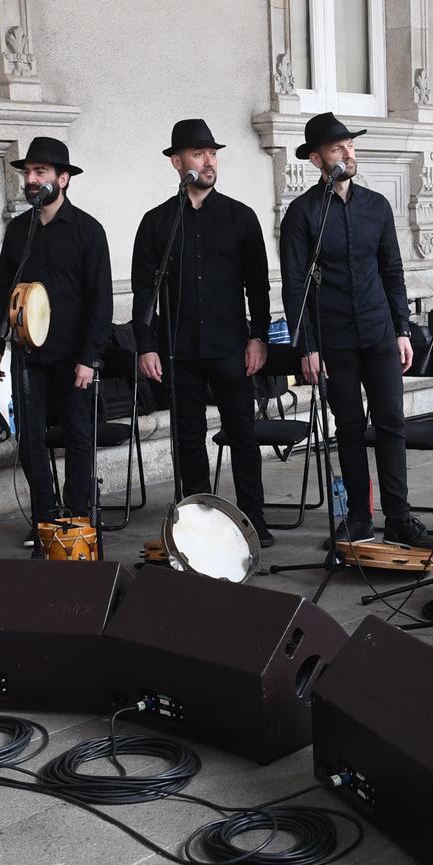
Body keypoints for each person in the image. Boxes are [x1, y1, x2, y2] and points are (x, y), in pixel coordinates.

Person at [278, 112, 433, 550]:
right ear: (316, 159)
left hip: (380, 332)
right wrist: (307, 347)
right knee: (348, 428)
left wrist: (403, 329)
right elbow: (294, 286)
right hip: (333, 339)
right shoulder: (302, 214)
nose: (348, 153)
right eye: (337, 148)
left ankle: (400, 518)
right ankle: (359, 518)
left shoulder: (377, 206)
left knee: (391, 425)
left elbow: (392, 270)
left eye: (350, 145)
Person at [131, 119, 274, 545]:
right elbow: (144, 291)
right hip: (180, 349)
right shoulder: (158, 222)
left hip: (232, 346)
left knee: (243, 435)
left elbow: (258, 285)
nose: (209, 161)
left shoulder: (240, 217)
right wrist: (146, 345)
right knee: (188, 439)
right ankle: (194, 519)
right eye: (199, 154)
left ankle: (252, 519)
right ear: (177, 163)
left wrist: (259, 336)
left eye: (213, 153)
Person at [0, 137, 113, 543]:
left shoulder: (88, 230)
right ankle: (44, 517)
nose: (31, 179)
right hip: (28, 354)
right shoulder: (19, 230)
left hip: (74, 355)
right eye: (28, 172)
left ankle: (76, 519)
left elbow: (101, 300)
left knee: (78, 435)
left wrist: (89, 358)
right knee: (30, 438)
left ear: (64, 179)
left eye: (40, 172)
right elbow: (3, 288)